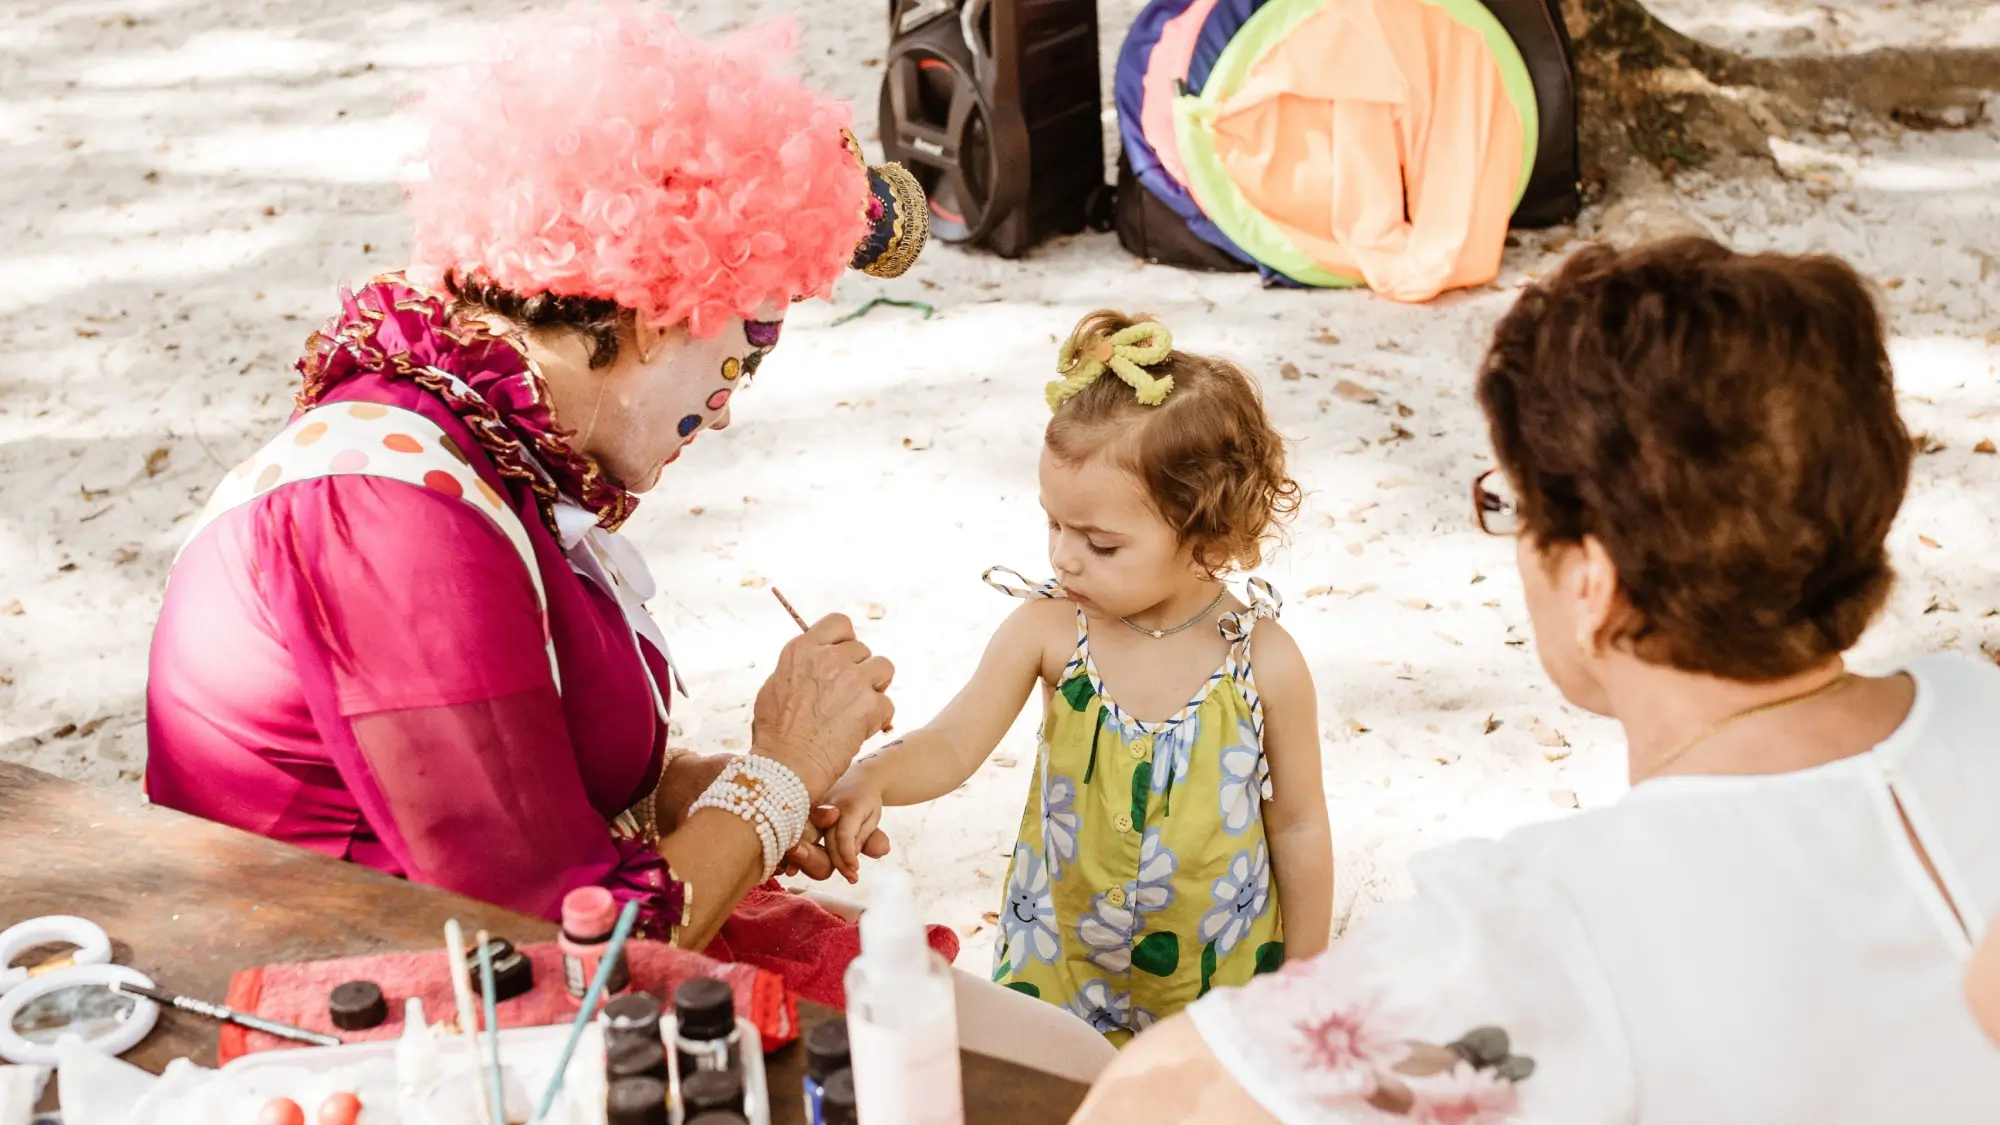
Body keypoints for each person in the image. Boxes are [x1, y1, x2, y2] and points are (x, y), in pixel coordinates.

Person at [141, 5, 1115, 1075]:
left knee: (1067, 1059)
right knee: (1061, 1075)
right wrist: (776, 777)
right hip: (380, 1030)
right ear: (664, 314)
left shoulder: (474, 444)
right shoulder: (393, 519)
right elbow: (573, 961)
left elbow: (525, 782)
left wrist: (701, 788)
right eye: (741, 353)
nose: (729, 402)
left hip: (461, 985)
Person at [1071, 238, 2000, 1122]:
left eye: (1508, 503)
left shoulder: (1547, 923)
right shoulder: (1977, 705)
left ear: (1593, 582)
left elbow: (1151, 1098)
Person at [823, 311, 1333, 1043]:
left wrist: (1308, 981)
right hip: (1062, 967)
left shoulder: (1264, 661)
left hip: (1217, 980)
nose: (1064, 558)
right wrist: (873, 778)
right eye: (1053, 526)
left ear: (1207, 535)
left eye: (1099, 542)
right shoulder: (1050, 630)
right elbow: (955, 739)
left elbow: (1301, 823)